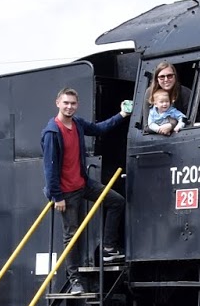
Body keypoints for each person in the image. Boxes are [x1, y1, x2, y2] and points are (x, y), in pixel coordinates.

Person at [41, 88, 132, 278]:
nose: (69, 106)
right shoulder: (52, 132)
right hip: (66, 192)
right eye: (66, 103)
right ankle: (74, 279)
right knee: (71, 236)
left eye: (73, 103)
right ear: (57, 103)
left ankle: (108, 248)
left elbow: (99, 129)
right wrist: (57, 196)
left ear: (77, 105)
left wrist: (122, 114)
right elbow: (50, 168)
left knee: (117, 201)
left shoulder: (77, 124)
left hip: (83, 183)